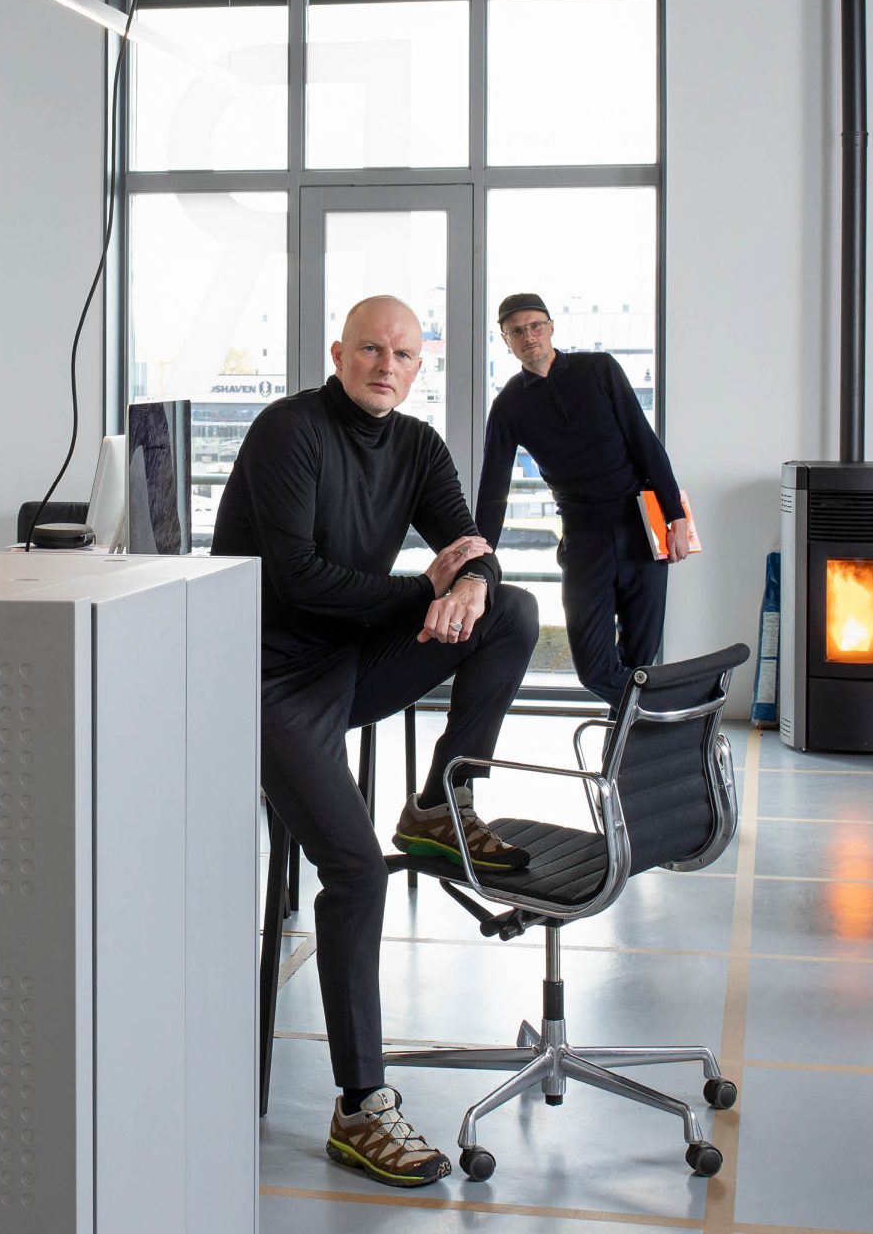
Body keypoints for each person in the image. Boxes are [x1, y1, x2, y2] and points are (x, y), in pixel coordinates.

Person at [214, 295, 540, 1190]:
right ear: (338, 353)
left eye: (401, 353)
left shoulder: (418, 446)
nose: (384, 365)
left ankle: (439, 803)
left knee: (510, 611)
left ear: (418, 365)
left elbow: (472, 546)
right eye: (369, 348)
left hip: (351, 662)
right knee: (357, 871)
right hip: (269, 681)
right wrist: (425, 588)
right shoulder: (289, 432)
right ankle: (361, 1107)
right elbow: (301, 581)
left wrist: (471, 582)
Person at [474, 292, 695, 708]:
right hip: (583, 537)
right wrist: (478, 567)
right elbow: (492, 494)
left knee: (640, 660)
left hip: (640, 525)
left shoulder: (600, 369)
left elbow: (644, 442)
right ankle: (678, 708)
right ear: (506, 341)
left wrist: (676, 517)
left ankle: (630, 743)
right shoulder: (508, 406)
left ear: (551, 327)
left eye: (535, 326)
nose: (528, 336)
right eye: (516, 331)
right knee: (594, 669)